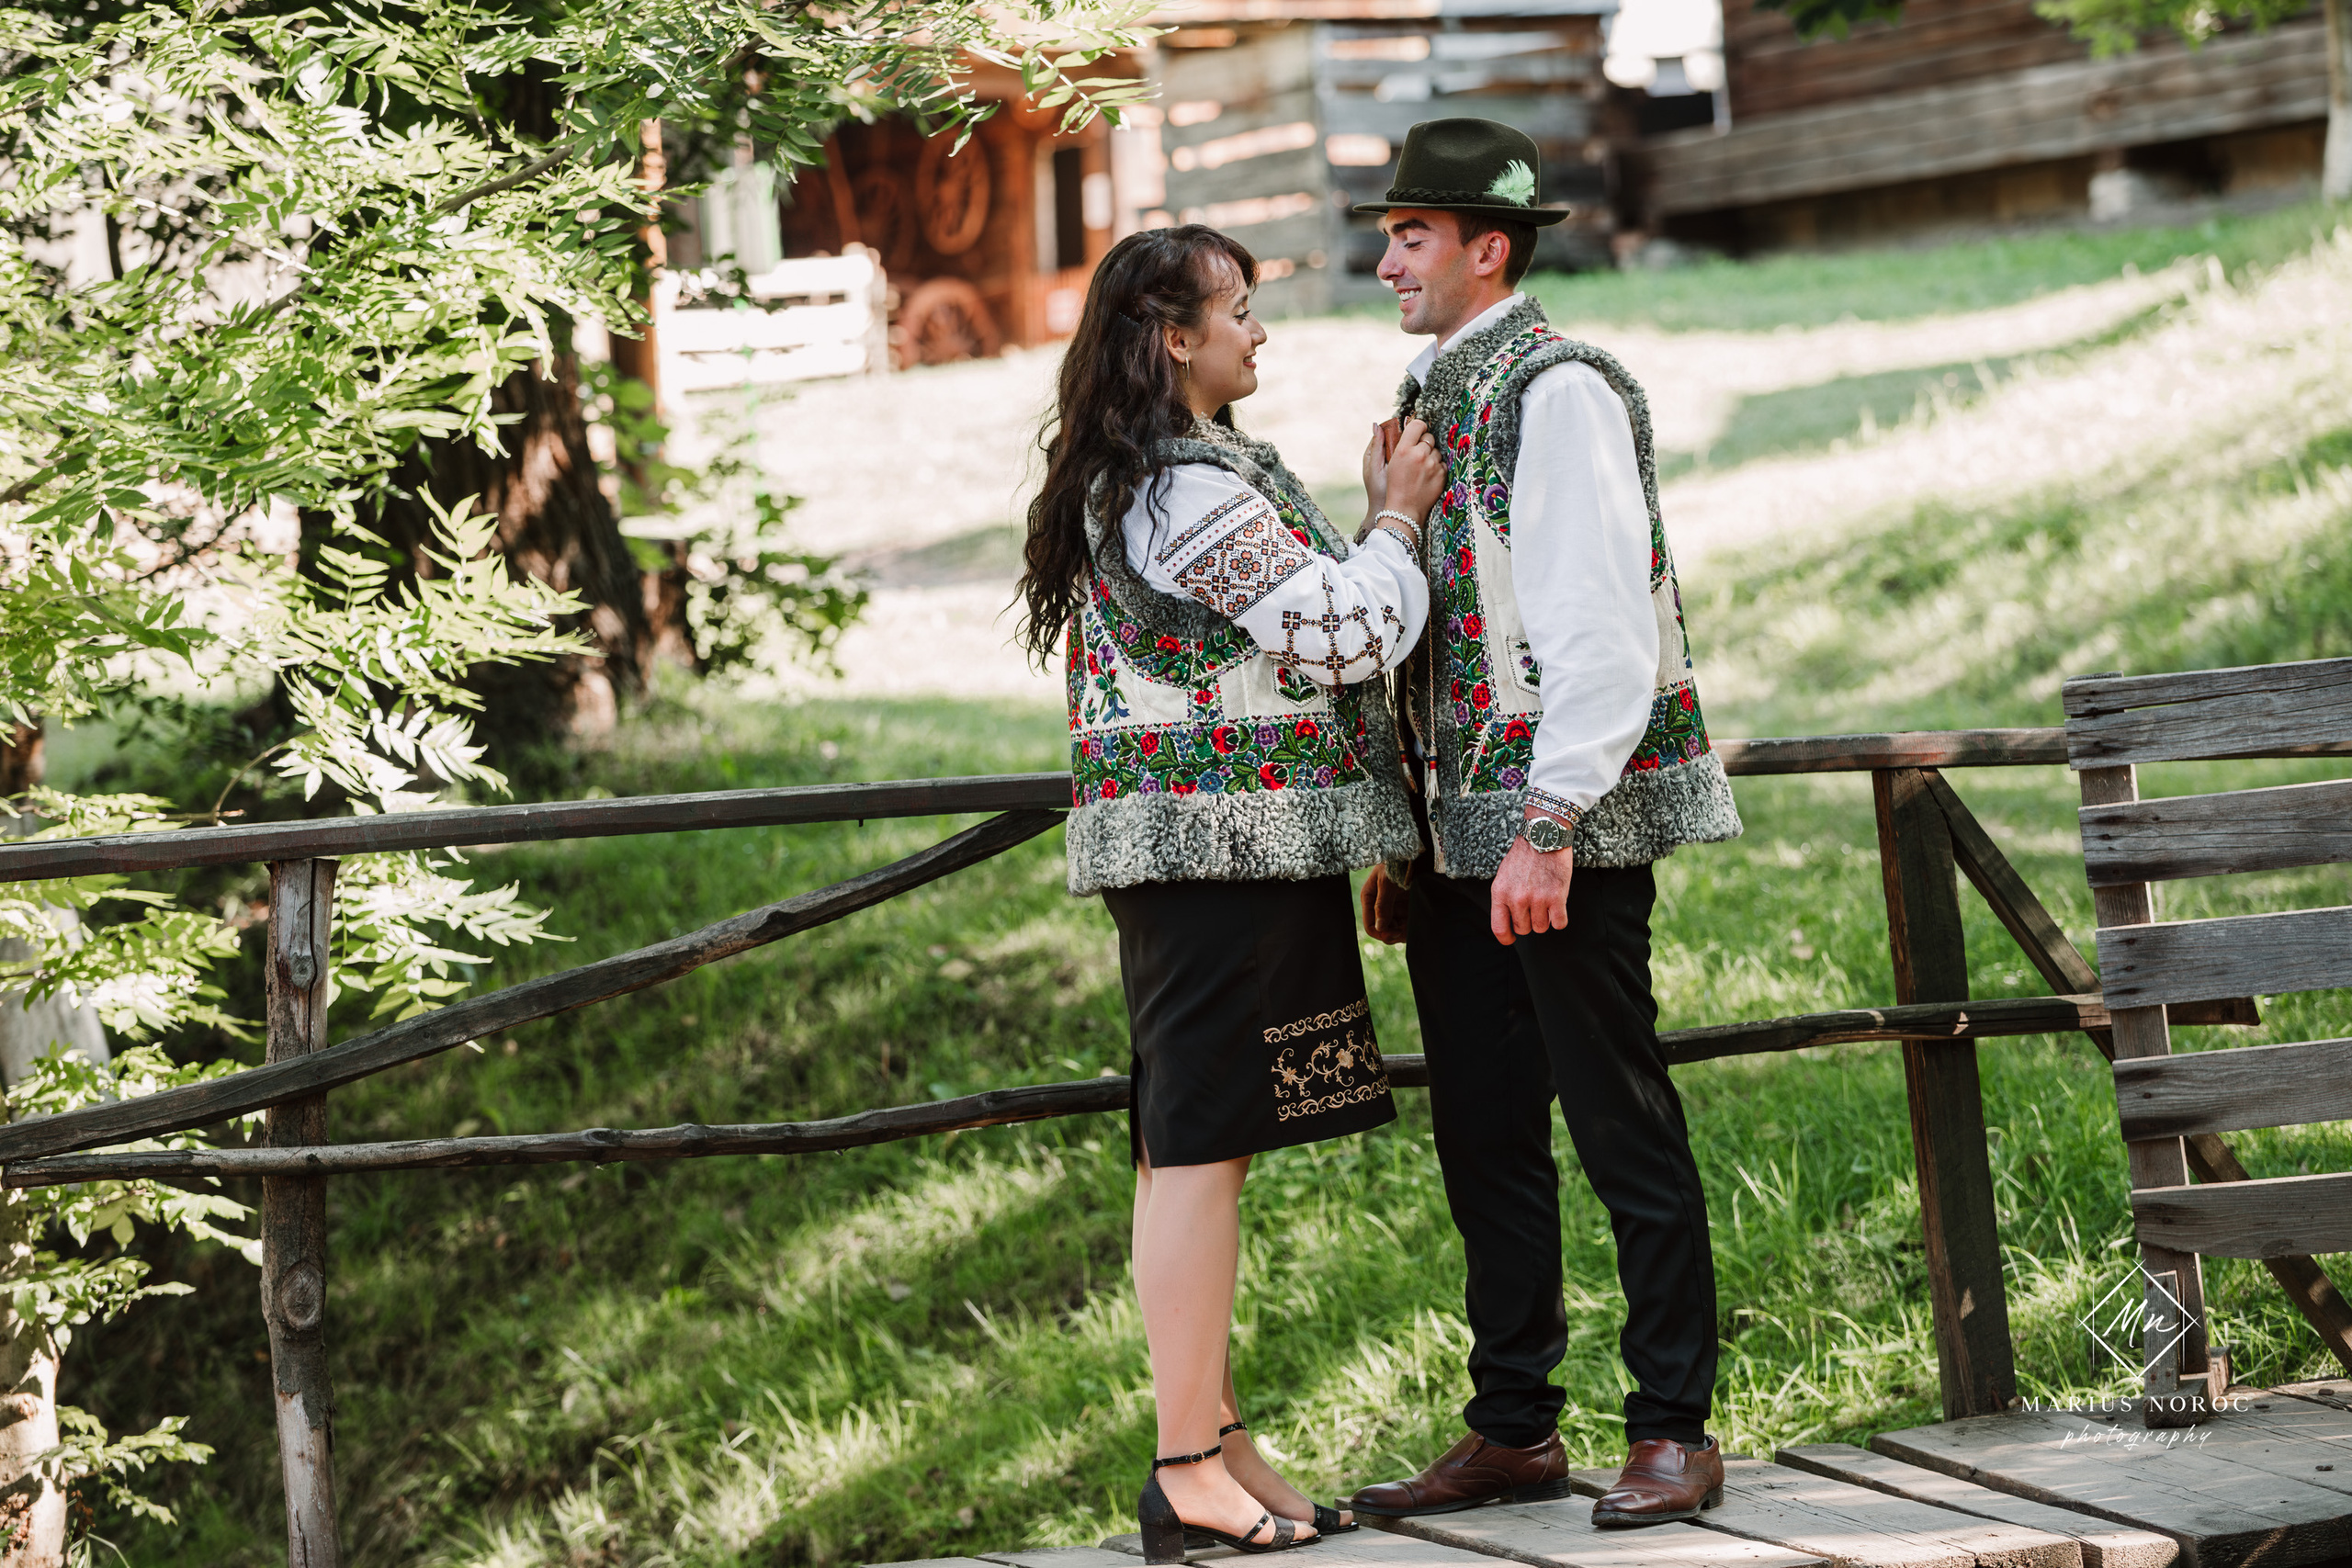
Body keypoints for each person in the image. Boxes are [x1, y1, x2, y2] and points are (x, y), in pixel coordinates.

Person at [1015, 224, 1447, 1563]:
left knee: (1201, 1146)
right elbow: (1339, 631)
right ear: (1170, 337)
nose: (1261, 334)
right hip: (1213, 857)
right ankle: (1184, 1466)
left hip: (1220, 851)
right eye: (1239, 311)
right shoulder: (1180, 490)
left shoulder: (1170, 475)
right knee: (1196, 1148)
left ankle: (1217, 1435)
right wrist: (1395, 523)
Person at [1339, 119, 1745, 1529]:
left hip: (1556, 826)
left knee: (1618, 1117)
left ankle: (1674, 1429)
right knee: (1487, 1131)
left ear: (1485, 246)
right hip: (1462, 832)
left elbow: (1598, 622)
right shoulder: (1430, 388)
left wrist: (1552, 817)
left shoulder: (1556, 391)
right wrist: (1410, 830)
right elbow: (1439, 628)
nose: (1386, 259)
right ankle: (1514, 1426)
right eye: (1389, 234)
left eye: (1410, 236)